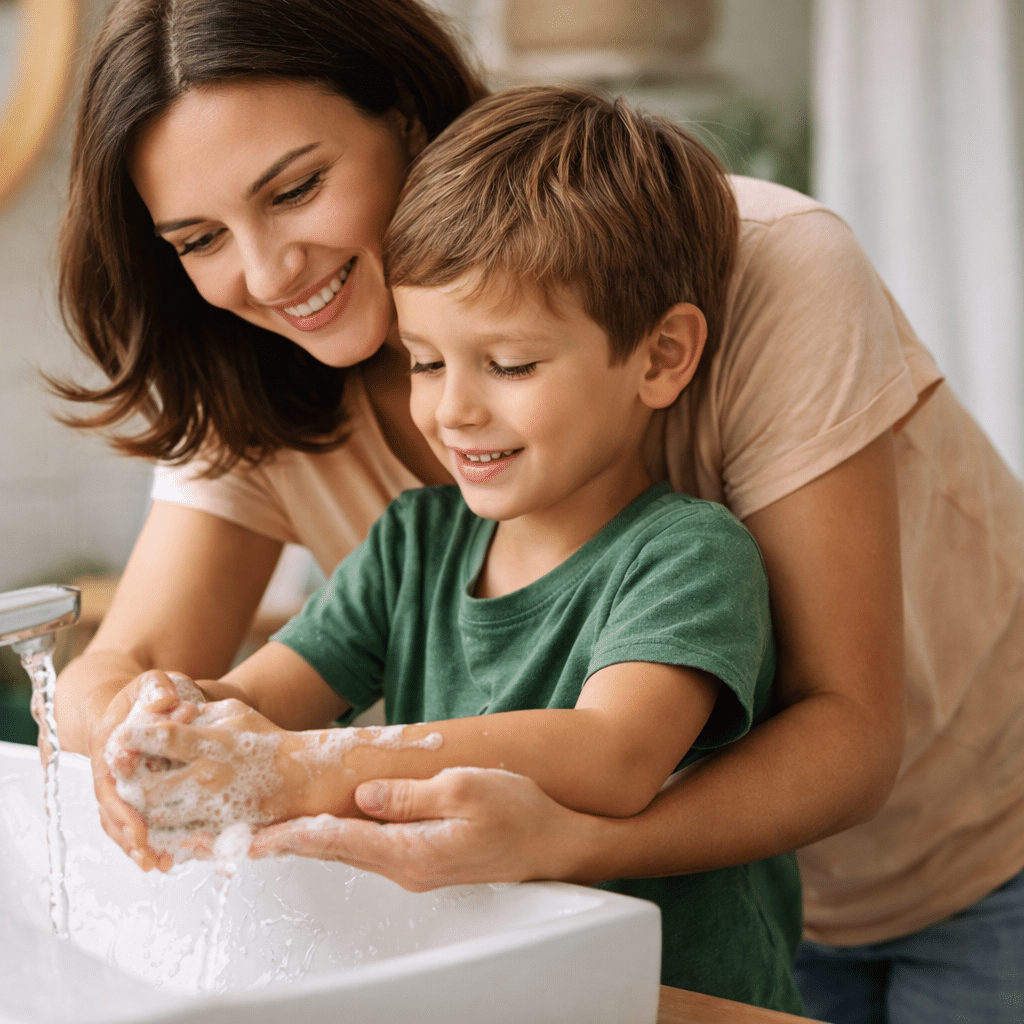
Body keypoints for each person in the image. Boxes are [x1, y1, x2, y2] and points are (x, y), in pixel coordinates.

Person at [51, 0, 1024, 1020]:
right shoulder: (351, 478)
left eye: (295, 188)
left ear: (411, 119)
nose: (264, 271)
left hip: (970, 851)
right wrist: (159, 735)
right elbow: (151, 668)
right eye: (199, 237)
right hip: (638, 937)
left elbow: (805, 737)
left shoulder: (751, 291)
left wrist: (300, 772)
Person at [105, 87, 804, 1010]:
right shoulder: (412, 543)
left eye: (509, 364)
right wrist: (180, 714)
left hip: (672, 1003)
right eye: (425, 360)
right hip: (491, 991)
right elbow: (261, 698)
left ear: (662, 355)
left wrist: (302, 769)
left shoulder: (687, 555)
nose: (453, 409)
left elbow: (612, 753)